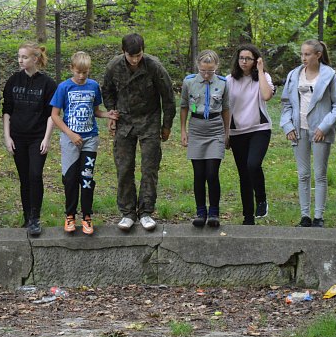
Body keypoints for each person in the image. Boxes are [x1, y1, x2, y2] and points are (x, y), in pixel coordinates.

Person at [102, 33, 176, 231]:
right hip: (124, 122)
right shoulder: (114, 66)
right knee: (124, 168)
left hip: (149, 121)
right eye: (131, 56)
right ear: (123, 52)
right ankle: (127, 213)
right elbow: (107, 91)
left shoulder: (154, 66)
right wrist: (111, 113)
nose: (135, 60)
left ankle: (146, 212)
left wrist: (166, 126)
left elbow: (168, 97)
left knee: (149, 168)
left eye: (138, 55)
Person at [51, 52, 118, 235]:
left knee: (87, 179)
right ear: (71, 68)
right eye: (78, 72)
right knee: (70, 179)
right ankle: (70, 215)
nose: (81, 76)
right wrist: (71, 134)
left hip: (90, 139)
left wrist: (107, 114)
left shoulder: (93, 86)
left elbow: (96, 111)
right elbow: (55, 115)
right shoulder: (64, 87)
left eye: (85, 72)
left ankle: (87, 216)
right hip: (70, 140)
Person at [280, 39, 336, 228]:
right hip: (299, 130)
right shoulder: (294, 75)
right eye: (302, 54)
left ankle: (319, 217)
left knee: (320, 174)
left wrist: (324, 127)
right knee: (303, 174)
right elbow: (286, 103)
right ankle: (305, 216)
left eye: (307, 54)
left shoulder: (329, 76)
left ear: (318, 55)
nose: (303, 58)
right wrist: (288, 126)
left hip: (320, 131)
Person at [2, 42, 57, 237]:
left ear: (35, 58)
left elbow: (52, 114)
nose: (20, 60)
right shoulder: (13, 81)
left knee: (35, 174)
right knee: (24, 178)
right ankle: (27, 217)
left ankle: (35, 218)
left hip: (37, 137)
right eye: (19, 56)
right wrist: (7, 136)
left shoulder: (48, 83)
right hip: (17, 137)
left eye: (24, 57)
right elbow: (7, 110)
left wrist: (47, 138)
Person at [180, 50, 230, 227]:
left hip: (215, 129)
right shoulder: (189, 82)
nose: (207, 75)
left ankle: (214, 212)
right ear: (198, 67)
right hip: (196, 128)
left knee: (212, 173)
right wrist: (183, 131)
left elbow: (226, 108)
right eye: (203, 71)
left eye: (210, 71)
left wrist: (227, 132)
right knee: (199, 174)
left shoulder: (223, 83)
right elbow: (184, 106)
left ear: (217, 67)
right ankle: (200, 212)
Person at [226, 44, 275, 225]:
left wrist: (260, 71)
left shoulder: (263, 77)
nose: (244, 62)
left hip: (259, 129)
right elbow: (225, 108)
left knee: (253, 164)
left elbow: (267, 95)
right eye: (241, 58)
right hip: (237, 132)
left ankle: (261, 199)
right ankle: (248, 217)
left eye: (248, 58)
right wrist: (226, 133)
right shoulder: (229, 80)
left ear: (255, 61)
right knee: (244, 174)